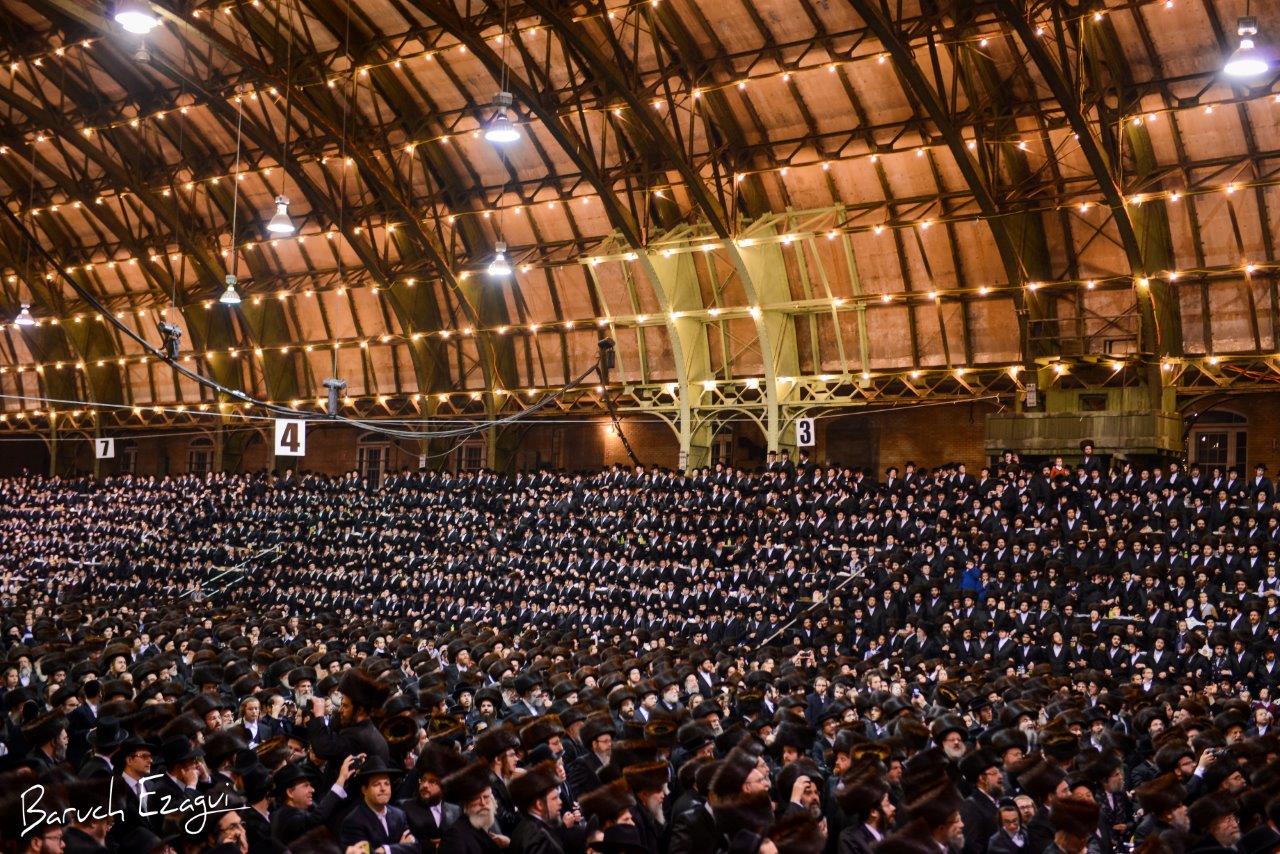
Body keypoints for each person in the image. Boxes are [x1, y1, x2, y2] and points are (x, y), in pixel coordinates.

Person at [339, 755, 417, 854]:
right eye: (376, 784)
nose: (383, 788)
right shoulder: (353, 821)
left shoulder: (399, 815)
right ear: (364, 790)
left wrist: (385, 850)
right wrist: (401, 848)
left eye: (386, 784)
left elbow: (415, 847)